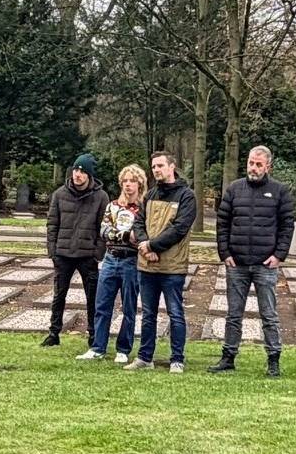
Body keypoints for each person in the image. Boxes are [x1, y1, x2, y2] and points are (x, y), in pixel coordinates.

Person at [212, 145, 295, 376]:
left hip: (265, 264)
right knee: (233, 313)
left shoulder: (280, 191)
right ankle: (228, 357)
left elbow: (287, 226)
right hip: (236, 263)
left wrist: (279, 255)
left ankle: (273, 359)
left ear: (268, 166)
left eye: (259, 164)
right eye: (251, 163)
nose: (254, 168)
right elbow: (222, 224)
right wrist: (225, 253)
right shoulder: (234, 189)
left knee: (269, 314)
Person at [128, 151, 197, 372]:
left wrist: (152, 246)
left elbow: (179, 228)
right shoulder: (149, 195)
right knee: (148, 314)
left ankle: (177, 359)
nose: (156, 170)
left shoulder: (187, 196)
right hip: (147, 264)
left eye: (160, 165)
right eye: (153, 166)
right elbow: (139, 223)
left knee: (175, 313)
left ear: (171, 167)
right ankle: (145, 357)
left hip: (172, 266)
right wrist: (145, 246)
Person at [80, 164, 145, 363]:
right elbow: (105, 231)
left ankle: (123, 349)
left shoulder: (144, 209)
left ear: (139, 184)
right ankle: (98, 347)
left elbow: (140, 235)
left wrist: (123, 236)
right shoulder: (113, 205)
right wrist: (126, 235)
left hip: (131, 261)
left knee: (129, 307)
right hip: (110, 258)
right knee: (102, 304)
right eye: (125, 181)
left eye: (132, 181)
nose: (128, 185)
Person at [44, 153, 111, 348]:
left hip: (87, 256)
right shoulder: (59, 194)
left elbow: (104, 228)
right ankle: (53, 333)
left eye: (82, 171)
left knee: (93, 298)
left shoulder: (101, 197)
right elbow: (52, 224)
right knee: (59, 295)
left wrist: (97, 253)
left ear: (89, 175)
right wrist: (53, 252)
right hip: (63, 254)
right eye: (75, 170)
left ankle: (93, 334)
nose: (77, 174)